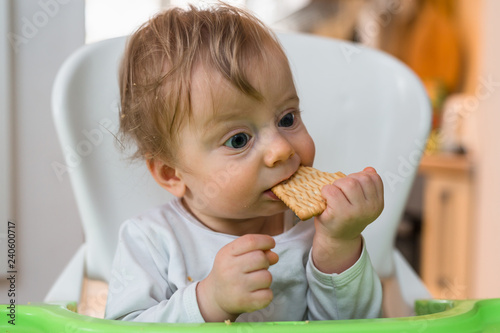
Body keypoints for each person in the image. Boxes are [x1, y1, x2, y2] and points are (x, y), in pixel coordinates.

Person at [105, 3, 384, 323]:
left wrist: (340, 244)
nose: (280, 149)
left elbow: (355, 326)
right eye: (238, 140)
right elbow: (122, 327)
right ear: (171, 173)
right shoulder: (152, 240)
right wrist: (207, 301)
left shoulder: (316, 229)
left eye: (287, 118)